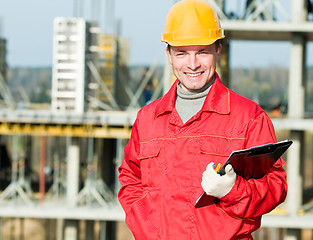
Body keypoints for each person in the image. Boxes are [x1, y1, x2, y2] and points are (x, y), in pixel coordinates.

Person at [118, 0, 287, 239]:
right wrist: (147, 225)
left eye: (203, 52)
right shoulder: (148, 119)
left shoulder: (249, 117)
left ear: (218, 50)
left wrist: (233, 190)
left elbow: (275, 186)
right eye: (182, 53)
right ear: (168, 54)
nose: (193, 64)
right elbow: (130, 178)